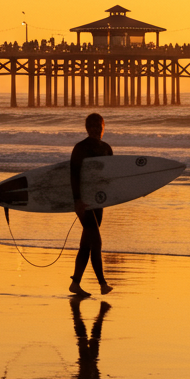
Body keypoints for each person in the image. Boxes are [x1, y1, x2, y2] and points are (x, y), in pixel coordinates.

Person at [70, 112, 113, 296]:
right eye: (93, 127)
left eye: (99, 127)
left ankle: (75, 283)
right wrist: (77, 200)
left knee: (87, 244)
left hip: (98, 201)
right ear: (87, 128)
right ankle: (102, 284)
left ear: (104, 128)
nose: (97, 130)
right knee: (96, 241)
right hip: (84, 202)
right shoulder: (80, 148)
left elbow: (111, 178)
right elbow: (73, 175)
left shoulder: (107, 149)